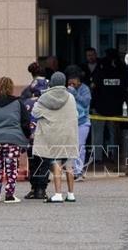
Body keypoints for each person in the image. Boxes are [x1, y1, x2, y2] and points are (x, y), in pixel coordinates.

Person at [0, 77, 31, 203]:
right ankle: (9, 195)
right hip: (13, 140)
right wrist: (26, 136)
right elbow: (25, 122)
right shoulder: (18, 103)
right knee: (11, 168)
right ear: (11, 88)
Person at [32, 72, 79, 203]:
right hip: (69, 134)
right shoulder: (70, 97)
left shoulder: (44, 97)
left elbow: (35, 113)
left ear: (52, 82)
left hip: (53, 134)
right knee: (69, 164)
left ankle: (58, 194)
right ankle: (71, 194)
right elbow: (75, 114)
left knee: (56, 162)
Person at [20, 62, 50, 200]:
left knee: (33, 160)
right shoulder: (50, 90)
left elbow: (21, 112)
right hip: (47, 130)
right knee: (45, 160)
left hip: (31, 131)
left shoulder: (27, 91)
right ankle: (41, 189)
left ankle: (34, 188)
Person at [91, 49, 127, 162]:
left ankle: (97, 158)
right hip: (115, 108)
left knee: (98, 133)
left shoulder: (100, 67)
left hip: (100, 107)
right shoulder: (121, 69)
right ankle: (113, 155)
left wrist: (93, 104)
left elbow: (94, 86)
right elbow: (125, 88)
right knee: (113, 134)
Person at [65, 66, 91, 181]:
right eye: (69, 80)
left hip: (83, 122)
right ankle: (73, 170)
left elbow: (86, 102)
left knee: (80, 146)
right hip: (69, 122)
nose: (71, 82)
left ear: (79, 79)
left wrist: (75, 94)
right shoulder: (66, 90)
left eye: (74, 79)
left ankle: (78, 171)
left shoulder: (85, 89)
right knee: (71, 147)